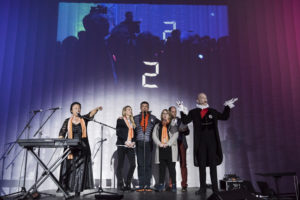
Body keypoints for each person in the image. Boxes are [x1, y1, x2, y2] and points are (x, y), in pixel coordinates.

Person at [177, 93, 238, 194]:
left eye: (205, 97)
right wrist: (182, 110)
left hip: (212, 142)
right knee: (202, 165)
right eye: (202, 98)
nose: (204, 99)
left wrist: (227, 106)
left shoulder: (212, 111)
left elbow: (224, 117)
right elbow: (185, 120)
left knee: (213, 166)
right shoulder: (193, 112)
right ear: (197, 100)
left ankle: (215, 188)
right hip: (200, 142)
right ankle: (202, 188)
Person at [58, 102, 103, 196]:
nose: (78, 110)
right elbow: (62, 133)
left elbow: (91, 113)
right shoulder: (67, 121)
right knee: (69, 167)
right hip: (70, 148)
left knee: (80, 168)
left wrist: (97, 108)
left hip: (82, 147)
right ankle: (67, 188)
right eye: (75, 108)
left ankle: (77, 190)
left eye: (79, 108)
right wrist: (61, 140)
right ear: (71, 110)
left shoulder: (84, 119)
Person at [133, 101, 159, 191]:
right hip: (139, 142)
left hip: (149, 143)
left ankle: (147, 184)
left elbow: (161, 126)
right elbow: (130, 129)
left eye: (146, 106)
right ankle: (141, 184)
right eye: (143, 106)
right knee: (140, 164)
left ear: (148, 108)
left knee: (148, 164)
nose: (144, 108)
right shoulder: (135, 118)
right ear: (140, 108)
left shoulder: (153, 118)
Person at [152, 109, 178, 192]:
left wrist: (168, 143)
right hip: (161, 148)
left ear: (169, 115)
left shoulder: (172, 124)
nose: (165, 115)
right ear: (161, 115)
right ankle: (161, 185)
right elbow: (154, 136)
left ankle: (173, 185)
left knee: (171, 169)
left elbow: (175, 135)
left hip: (170, 149)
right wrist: (159, 143)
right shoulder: (158, 125)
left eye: (166, 113)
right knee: (161, 169)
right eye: (163, 113)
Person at [167, 106, 190, 192]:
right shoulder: (167, 120)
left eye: (175, 111)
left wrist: (184, 129)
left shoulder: (181, 120)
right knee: (171, 164)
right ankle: (171, 184)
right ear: (169, 112)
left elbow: (188, 132)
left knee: (183, 164)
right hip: (172, 144)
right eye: (172, 111)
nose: (174, 113)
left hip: (181, 143)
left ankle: (184, 185)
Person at [115, 106, 136, 191]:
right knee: (120, 165)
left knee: (133, 165)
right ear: (124, 111)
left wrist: (133, 142)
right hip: (122, 145)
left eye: (131, 109)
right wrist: (125, 141)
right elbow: (118, 132)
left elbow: (135, 133)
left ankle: (128, 184)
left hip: (131, 145)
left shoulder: (132, 121)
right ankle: (120, 184)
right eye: (128, 109)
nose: (130, 111)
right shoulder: (120, 119)